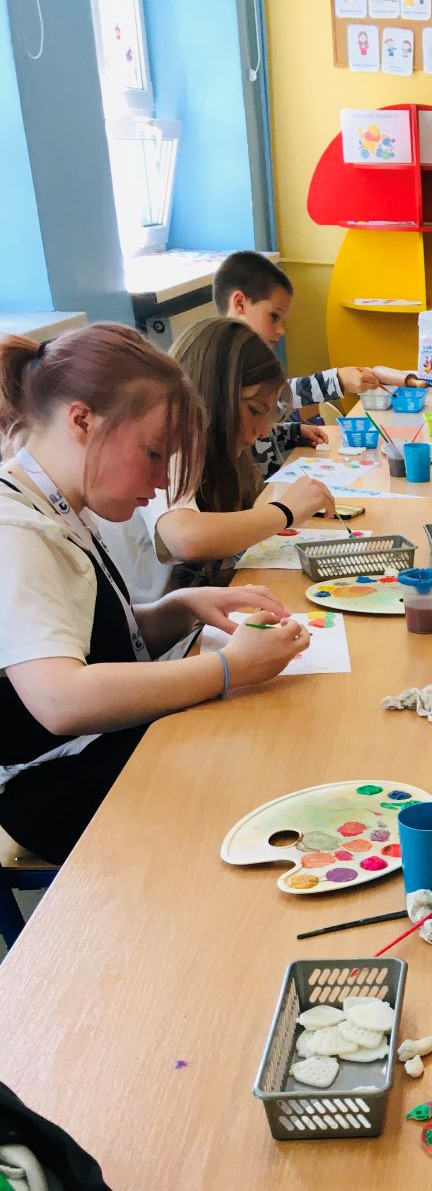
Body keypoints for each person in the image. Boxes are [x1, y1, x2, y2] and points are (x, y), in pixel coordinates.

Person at [0, 324, 308, 863]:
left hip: (97, 747)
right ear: (81, 421)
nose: (164, 481)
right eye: (153, 454)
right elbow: (60, 699)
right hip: (49, 784)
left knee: (273, 738)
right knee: (261, 778)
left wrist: (178, 610)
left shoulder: (59, 502)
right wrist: (228, 668)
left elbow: (83, 636)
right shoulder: (16, 530)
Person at [98, 318, 335, 607]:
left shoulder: (220, 455)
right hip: (160, 629)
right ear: (216, 395)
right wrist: (285, 511)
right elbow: (186, 539)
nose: (263, 430)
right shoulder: (170, 446)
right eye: (255, 410)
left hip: (190, 615)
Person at [212, 250, 382, 477]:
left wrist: (291, 433)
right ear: (240, 303)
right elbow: (280, 398)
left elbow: (259, 434)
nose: (281, 330)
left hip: (274, 491)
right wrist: (337, 380)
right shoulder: (223, 367)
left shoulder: (246, 364)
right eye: (274, 316)